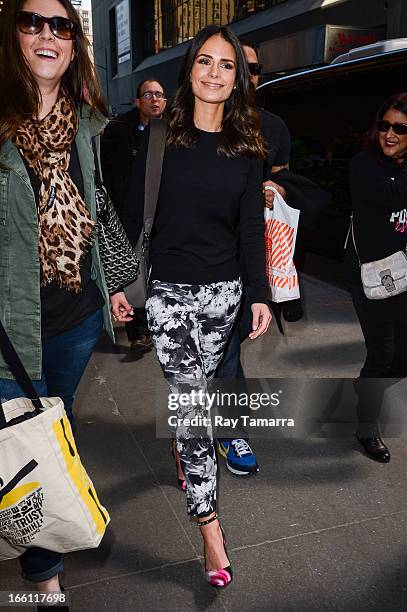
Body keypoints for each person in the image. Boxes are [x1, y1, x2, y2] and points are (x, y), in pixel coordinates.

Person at [120, 24, 271, 587]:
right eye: (204, 62)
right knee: (190, 405)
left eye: (226, 65)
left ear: (238, 79)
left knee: (197, 399)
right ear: (190, 72)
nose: (214, 73)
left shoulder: (246, 148)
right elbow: (132, 217)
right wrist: (119, 283)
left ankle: (188, 455)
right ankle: (210, 527)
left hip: (224, 296)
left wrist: (259, 294)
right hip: (166, 296)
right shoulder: (161, 138)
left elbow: (251, 230)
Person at [0, 0, 119, 600]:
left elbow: (98, 211)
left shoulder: (86, 124)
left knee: (44, 442)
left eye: (61, 25)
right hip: (8, 332)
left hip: (74, 321)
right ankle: (38, 567)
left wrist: (113, 285)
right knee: (16, 443)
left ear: (74, 43)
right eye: (32, 22)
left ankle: (41, 571)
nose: (47, 33)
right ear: (13, 35)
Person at [214, 36, 291, 476]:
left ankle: (227, 430)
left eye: (254, 69)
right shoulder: (192, 122)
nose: (247, 76)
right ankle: (203, 435)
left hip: (247, 255)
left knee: (229, 350)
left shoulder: (272, 127)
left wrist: (277, 188)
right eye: (236, 66)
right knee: (210, 356)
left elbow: (288, 180)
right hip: (193, 265)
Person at [347, 93, 407, 463]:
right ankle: (366, 426)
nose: (389, 134)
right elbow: (388, 196)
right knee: (382, 353)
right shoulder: (363, 165)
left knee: (401, 359)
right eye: (384, 125)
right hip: (370, 276)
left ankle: (366, 387)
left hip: (405, 272)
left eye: (400, 128)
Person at [101, 79, 167, 354]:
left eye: (160, 95)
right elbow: (107, 172)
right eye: (148, 94)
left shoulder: (174, 131)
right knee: (132, 268)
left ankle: (158, 322)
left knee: (157, 270)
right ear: (137, 101)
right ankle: (138, 330)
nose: (154, 99)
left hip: (162, 212)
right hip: (127, 213)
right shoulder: (118, 132)